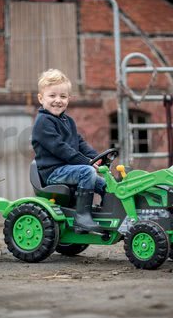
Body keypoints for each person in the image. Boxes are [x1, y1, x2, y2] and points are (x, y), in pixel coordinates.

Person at [31, 68, 105, 232]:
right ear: (41, 98)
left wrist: (96, 157)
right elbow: (61, 149)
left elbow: (79, 143)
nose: (58, 100)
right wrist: (86, 162)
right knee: (87, 172)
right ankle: (82, 217)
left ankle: (107, 212)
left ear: (68, 99)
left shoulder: (67, 121)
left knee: (104, 183)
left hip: (67, 169)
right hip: (53, 172)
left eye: (63, 96)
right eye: (52, 96)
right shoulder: (43, 122)